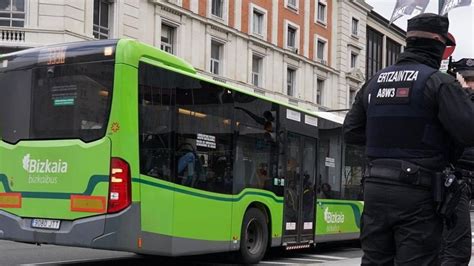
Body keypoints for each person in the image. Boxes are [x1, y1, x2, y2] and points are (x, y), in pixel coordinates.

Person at [343, 13, 474, 265]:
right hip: (418, 192)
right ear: (438, 43)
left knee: (375, 260)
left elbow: (351, 131)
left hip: (375, 189)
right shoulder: (438, 83)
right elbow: (468, 131)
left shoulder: (374, 82)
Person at [440, 58, 474, 266]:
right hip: (455, 177)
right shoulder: (448, 99)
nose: (470, 85)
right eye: (467, 79)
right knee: (454, 248)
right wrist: (463, 95)